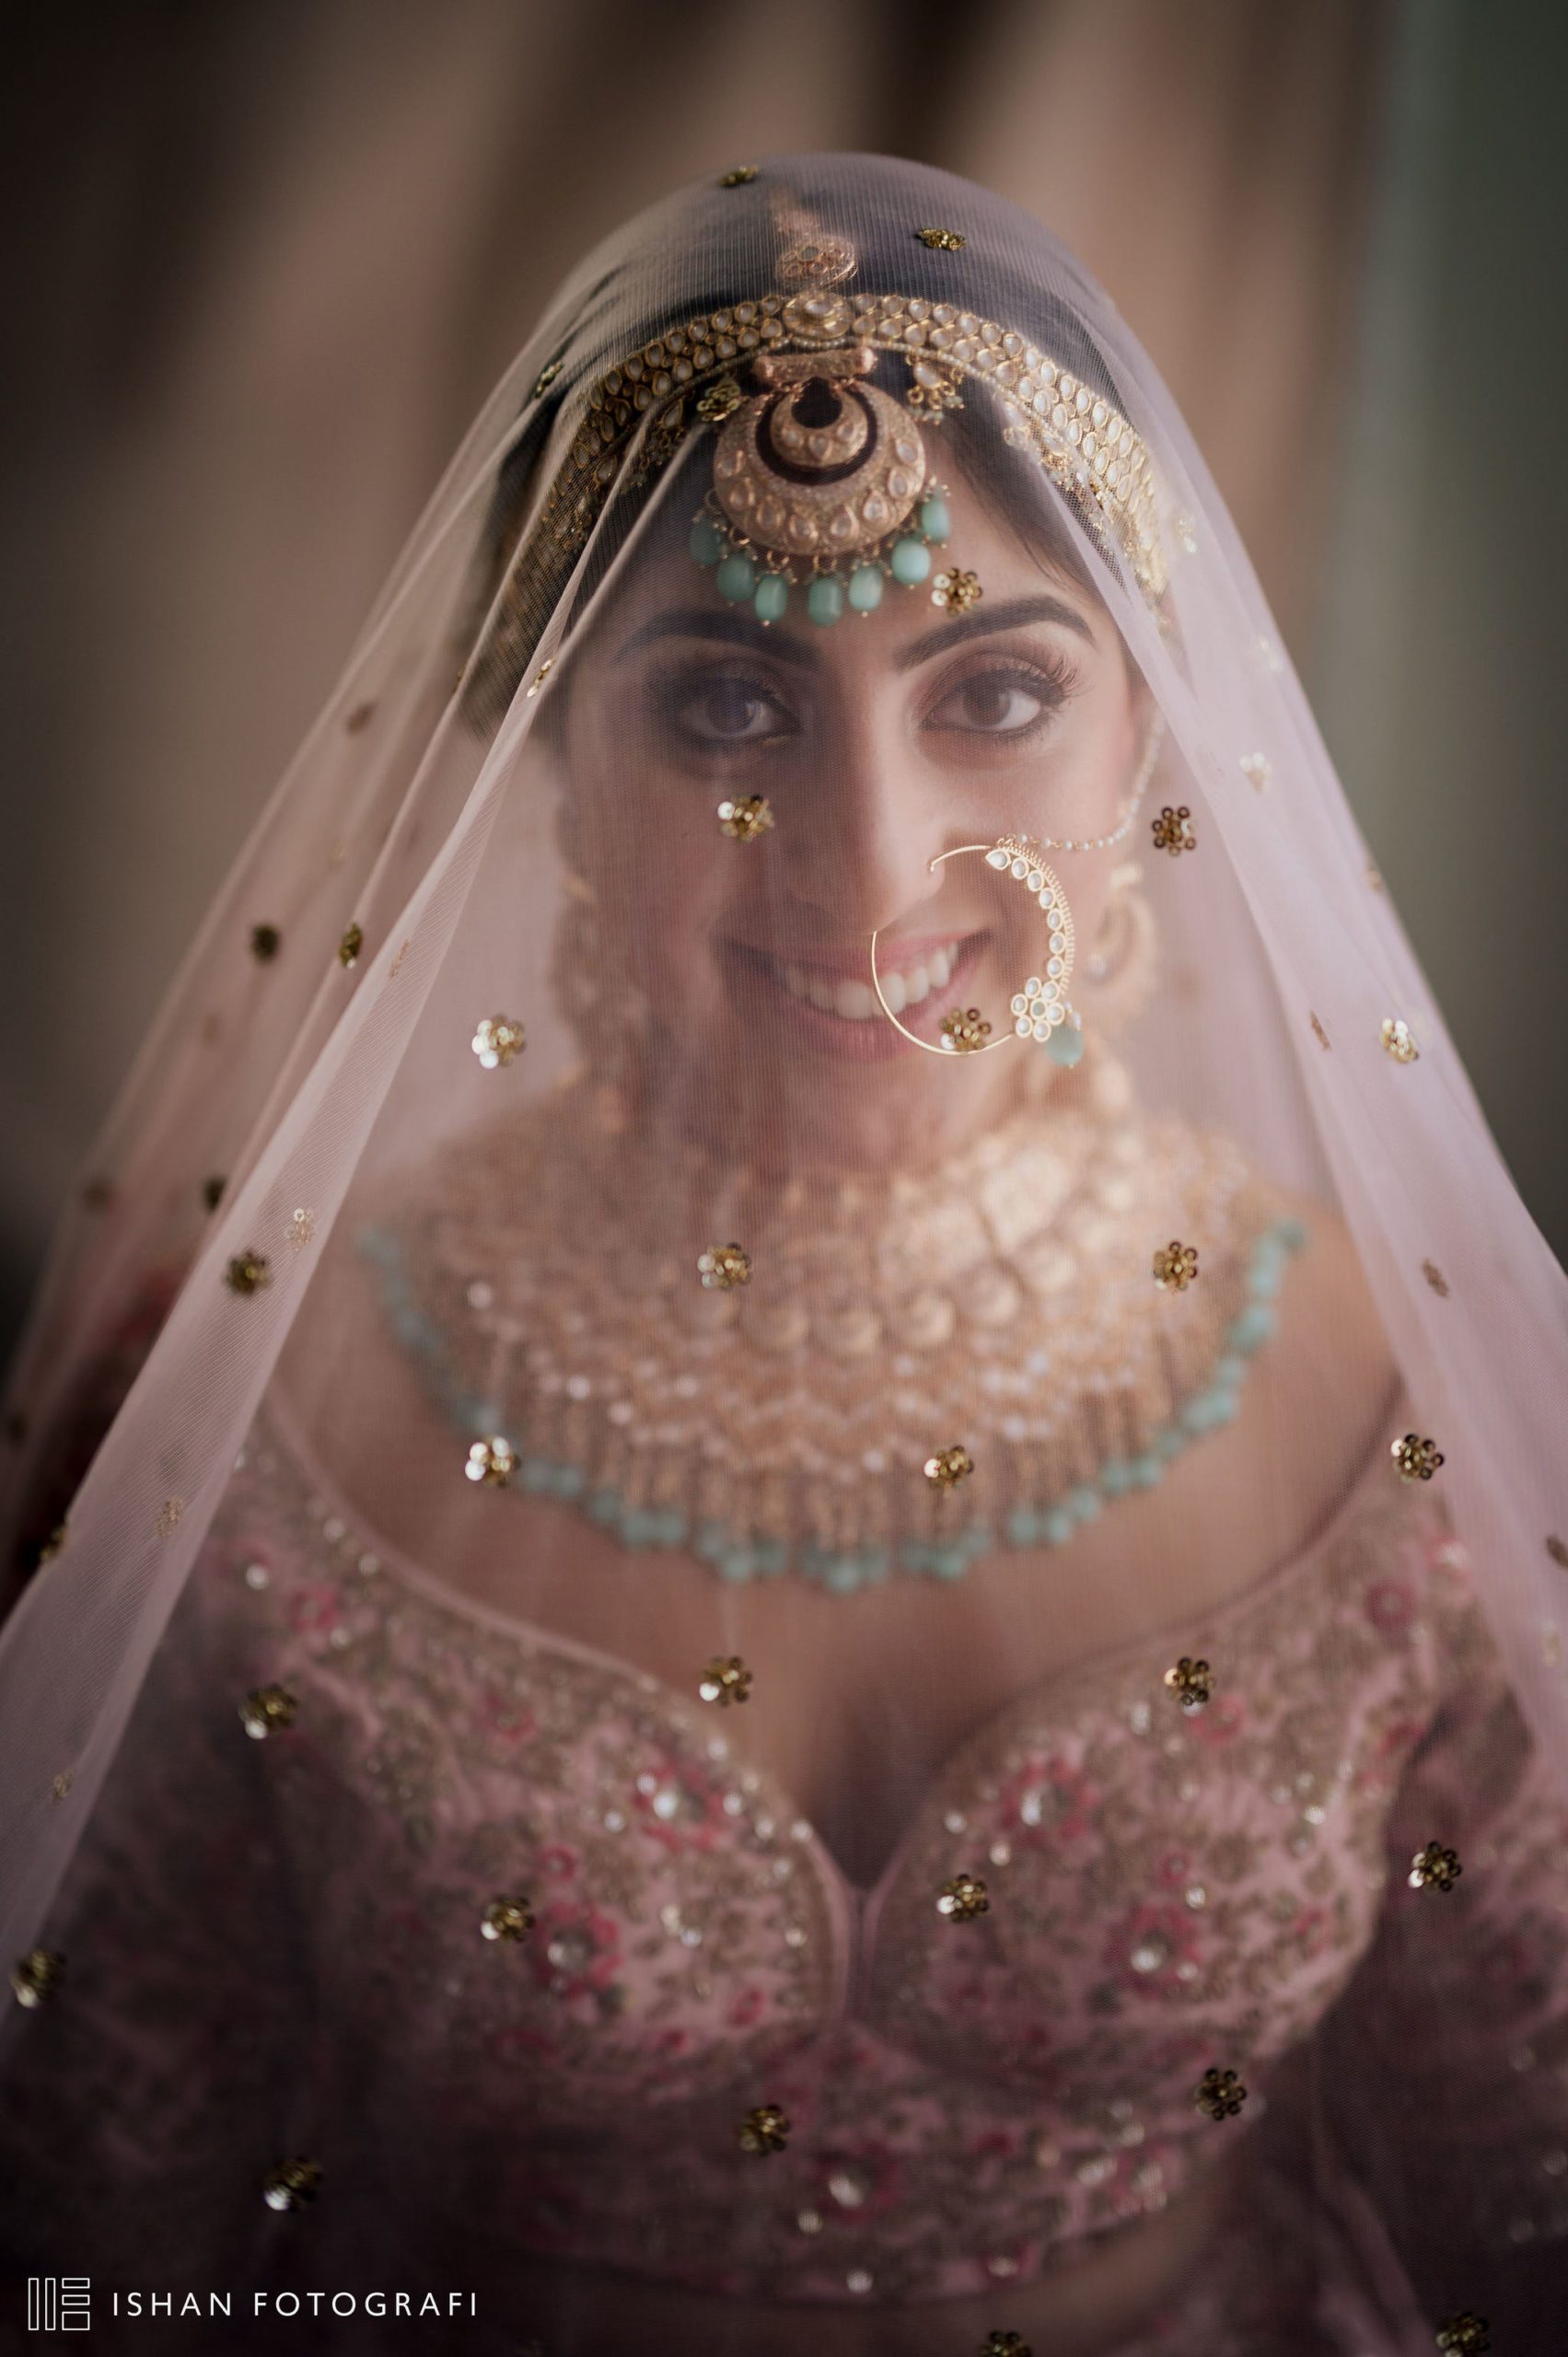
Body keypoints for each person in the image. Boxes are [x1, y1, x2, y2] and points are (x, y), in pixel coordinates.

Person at [1, 154, 1565, 2357]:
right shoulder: (270, 1396)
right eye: (728, 706)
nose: (866, 866)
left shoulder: (1388, 1379)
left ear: (1148, 734)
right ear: (555, 751)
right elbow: (101, 2246)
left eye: (997, 694)